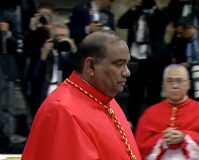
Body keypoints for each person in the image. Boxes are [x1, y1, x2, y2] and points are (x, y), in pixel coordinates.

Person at [22, 30, 141, 160]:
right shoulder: (62, 110)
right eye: (119, 64)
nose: (127, 72)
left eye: (127, 64)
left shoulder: (106, 99)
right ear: (90, 65)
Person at [135, 64, 199, 160]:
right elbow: (140, 147)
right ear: (163, 85)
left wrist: (185, 137)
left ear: (188, 84)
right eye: (169, 81)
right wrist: (162, 139)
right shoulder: (150, 113)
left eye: (179, 81)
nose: (174, 86)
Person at [117, 0, 172, 128]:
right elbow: (121, 23)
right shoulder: (136, 12)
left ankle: (154, 124)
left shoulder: (158, 14)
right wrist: (132, 9)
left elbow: (166, 21)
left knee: (154, 93)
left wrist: (157, 7)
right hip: (136, 57)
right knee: (135, 94)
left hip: (154, 58)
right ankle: (133, 124)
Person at [34, 23, 77, 101]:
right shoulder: (45, 52)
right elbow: (36, 76)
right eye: (57, 37)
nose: (60, 39)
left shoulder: (72, 55)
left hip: (68, 94)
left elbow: (81, 75)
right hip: (49, 93)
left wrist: (74, 51)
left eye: (63, 36)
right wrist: (44, 55)